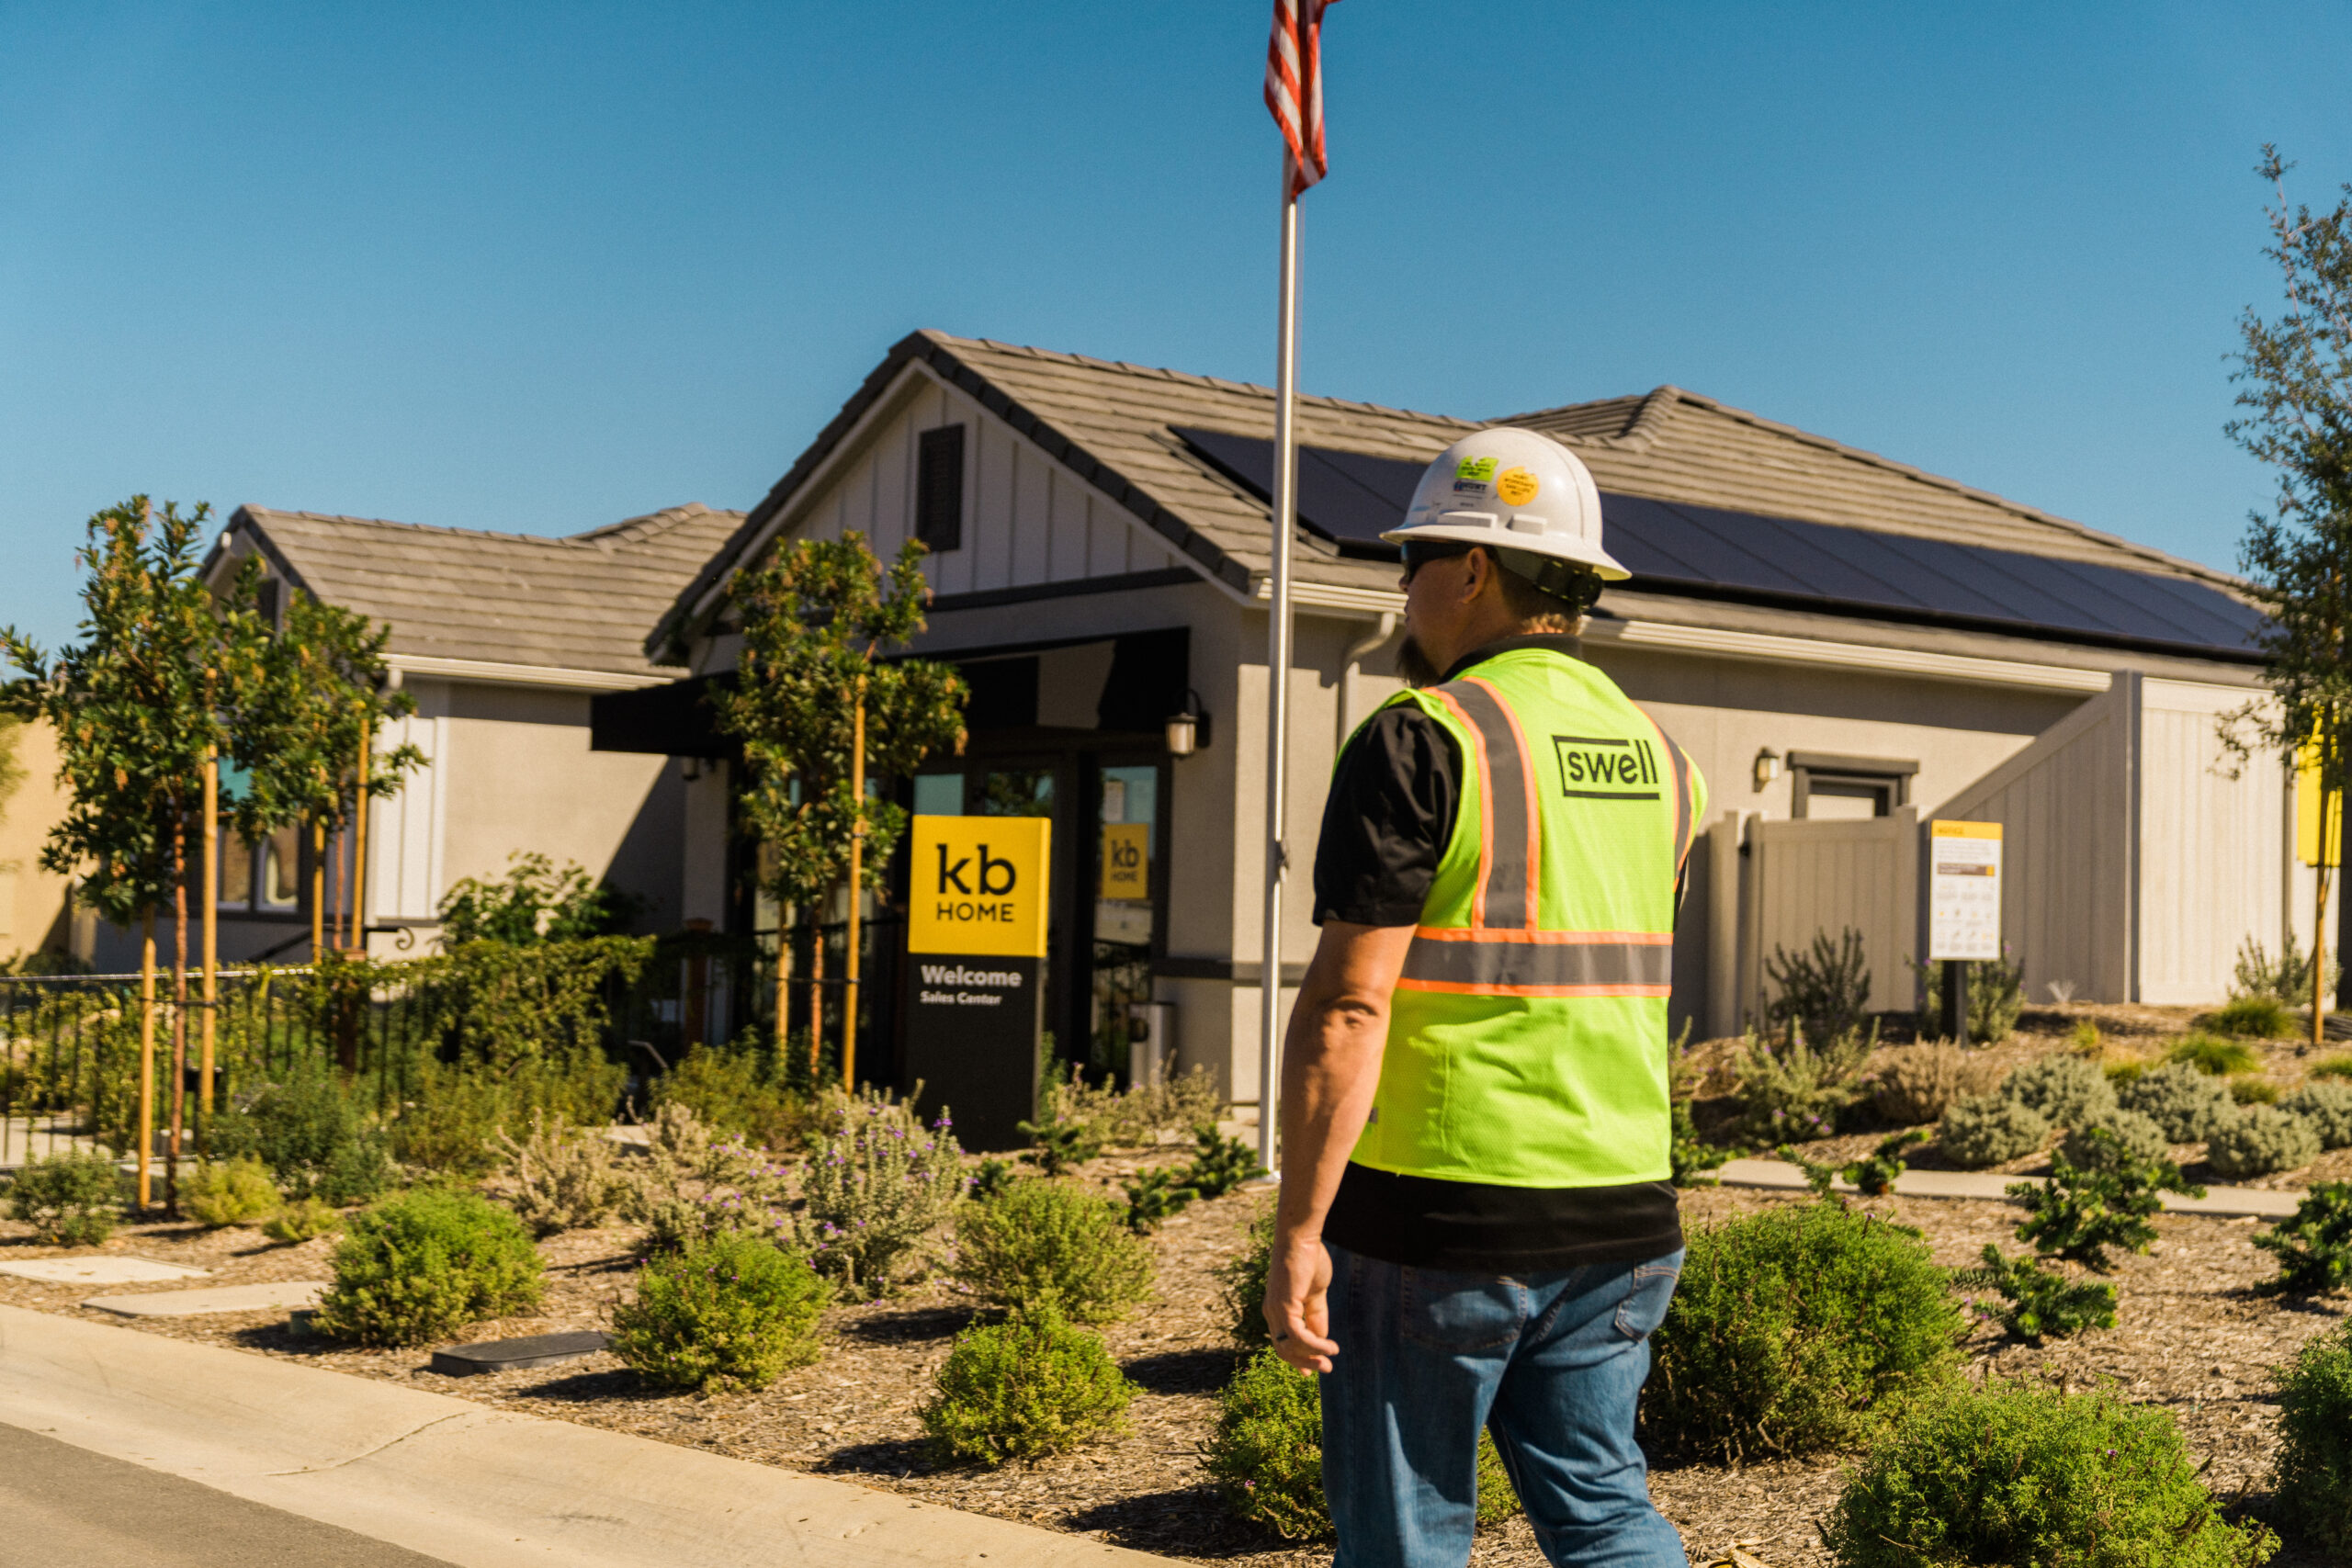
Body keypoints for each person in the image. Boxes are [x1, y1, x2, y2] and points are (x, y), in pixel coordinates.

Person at [1261, 427, 1705, 1568]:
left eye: (1411, 561)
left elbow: (1349, 1009)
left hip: (1442, 1219)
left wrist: (1301, 1228)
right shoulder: (1664, 756)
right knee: (1606, 1517)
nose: (1402, 589)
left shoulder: (1423, 739)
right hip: (1622, 1212)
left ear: (1474, 569)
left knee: (1403, 1538)